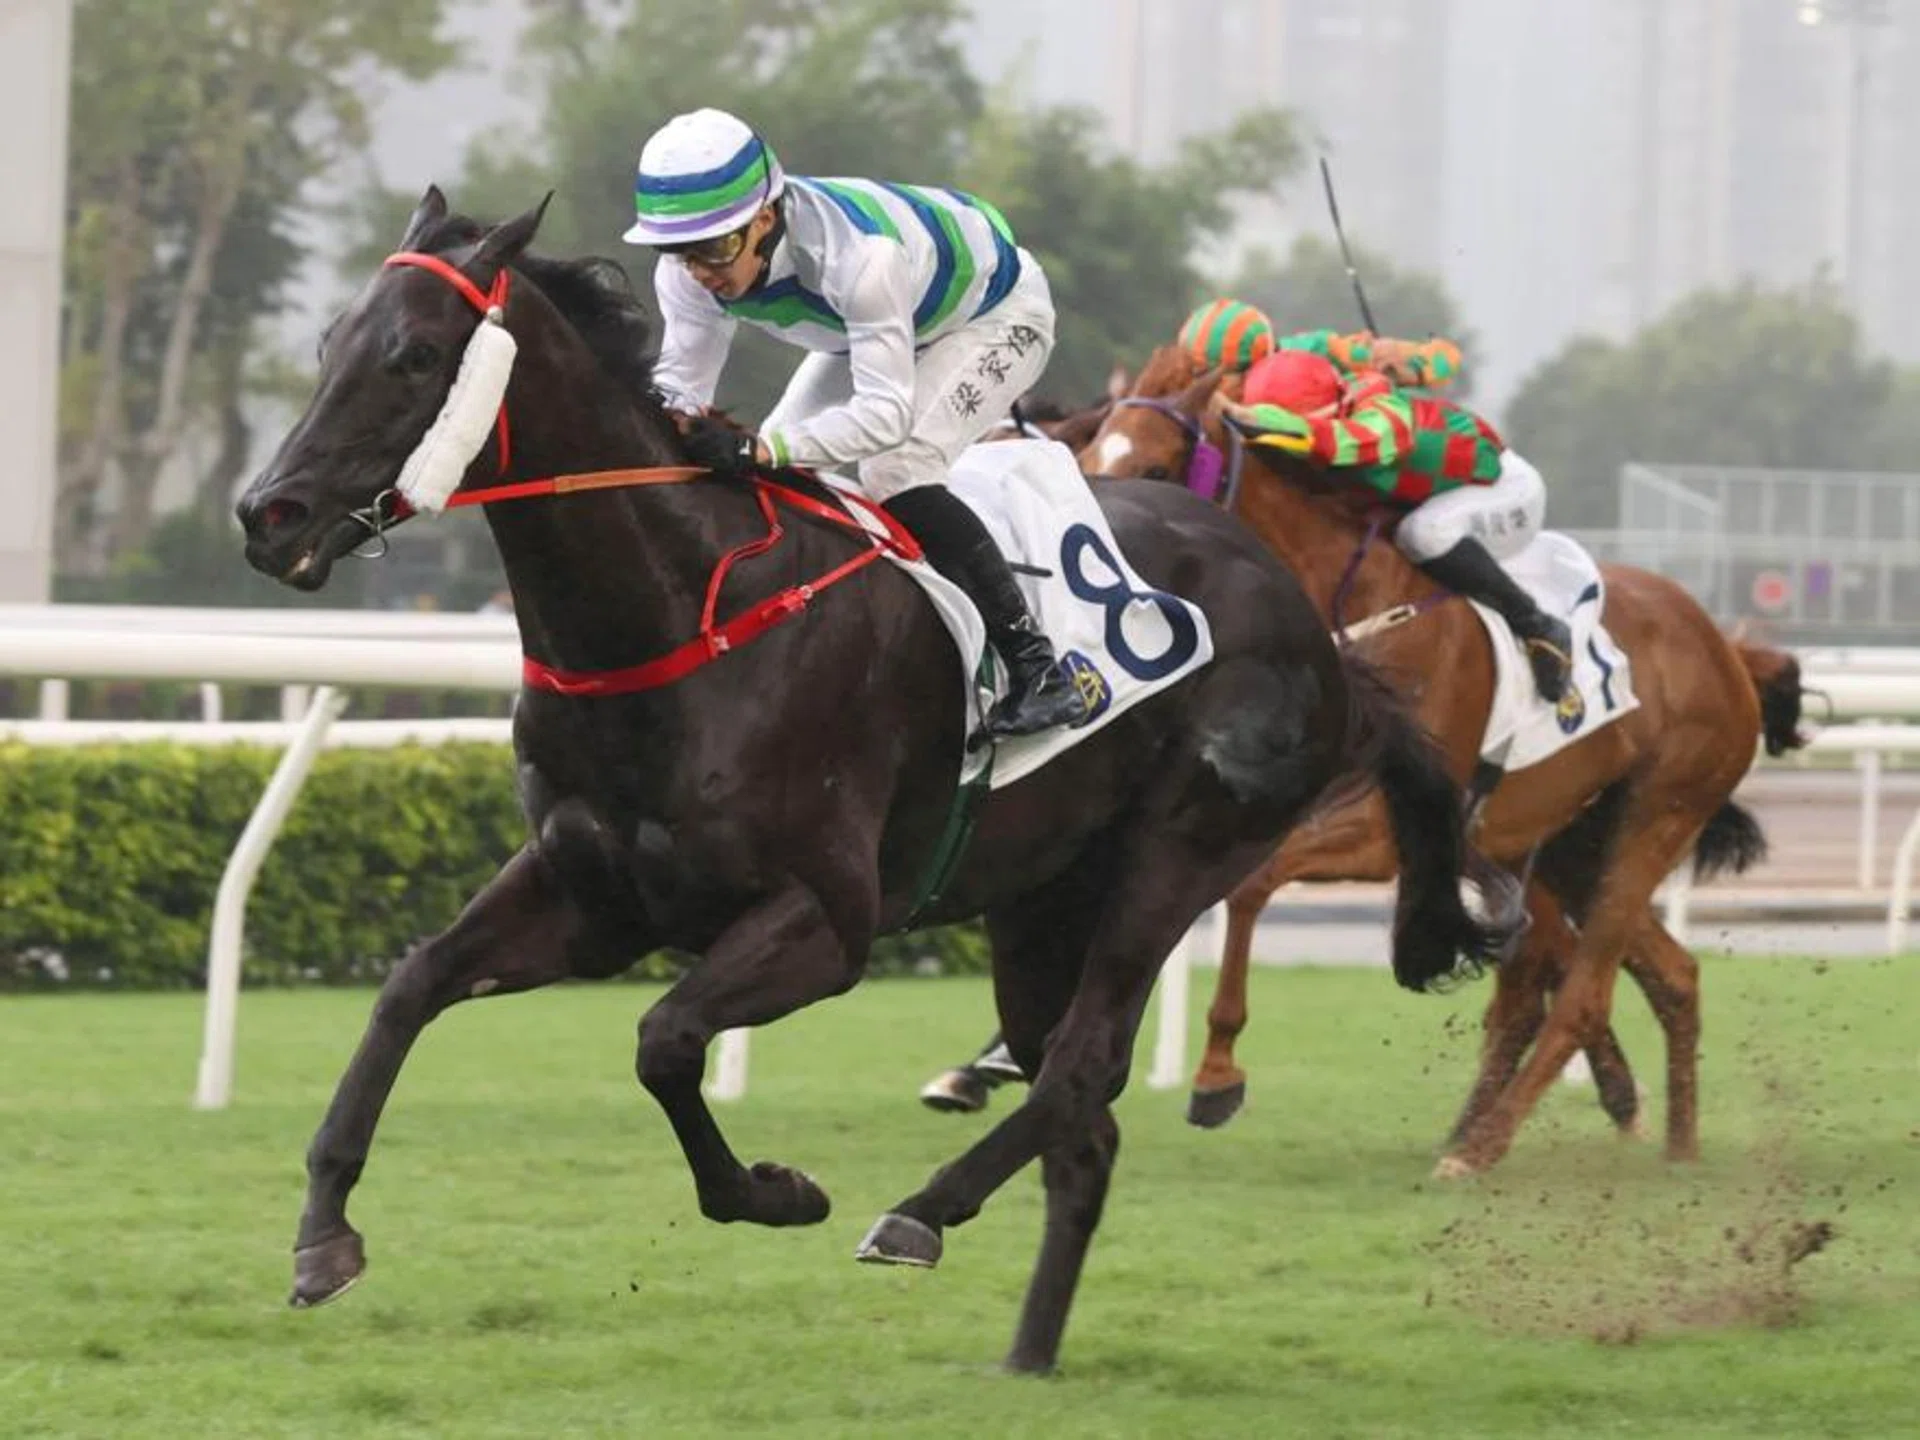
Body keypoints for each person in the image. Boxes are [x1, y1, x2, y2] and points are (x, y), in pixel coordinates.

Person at [624, 107, 1089, 740]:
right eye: (678, 251)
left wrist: (759, 447)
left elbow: (886, 417)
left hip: (997, 315)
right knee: (777, 478)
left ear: (764, 219)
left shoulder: (858, 259)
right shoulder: (688, 274)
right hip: (874, 330)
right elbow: (681, 394)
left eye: (713, 247)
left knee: (895, 466)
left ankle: (1038, 671)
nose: (700, 271)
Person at [1225, 348, 1574, 703]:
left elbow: (1372, 438)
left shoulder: (1380, 406)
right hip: (1435, 494)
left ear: (1329, 412)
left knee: (1422, 534)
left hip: (1504, 492)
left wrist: (1290, 429)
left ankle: (1538, 626)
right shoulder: (1335, 403)